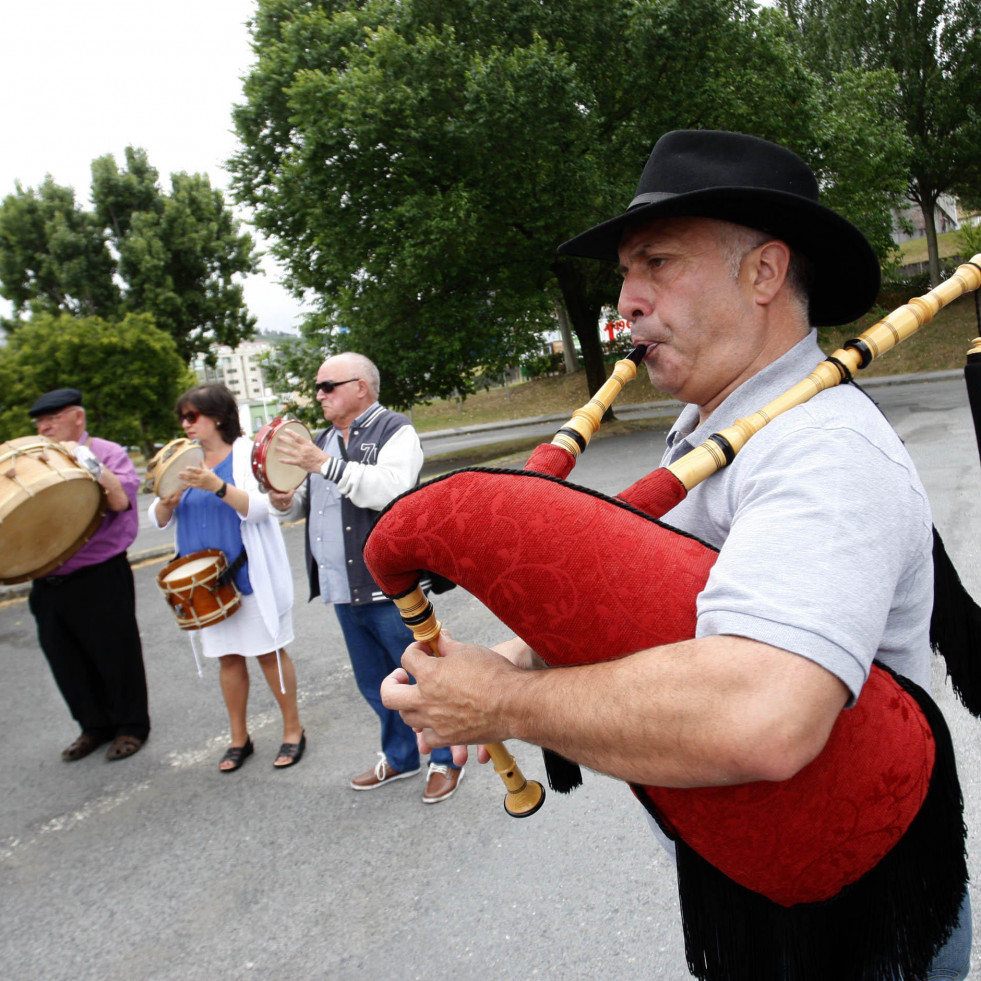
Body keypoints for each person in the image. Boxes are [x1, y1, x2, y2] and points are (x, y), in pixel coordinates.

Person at [379, 130, 972, 977]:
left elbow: (761, 717)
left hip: (850, 923)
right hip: (749, 887)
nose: (627, 302)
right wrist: (504, 658)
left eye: (656, 263)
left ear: (764, 273)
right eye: (626, 275)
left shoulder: (821, 450)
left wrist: (505, 703)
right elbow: (666, 605)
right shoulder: (707, 430)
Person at [268, 352, 464, 804]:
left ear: (361, 386)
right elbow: (303, 503)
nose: (319, 395)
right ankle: (400, 756)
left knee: (422, 679)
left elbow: (392, 489)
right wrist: (283, 500)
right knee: (375, 683)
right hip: (341, 588)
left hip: (390, 586)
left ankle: (445, 760)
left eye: (328, 386)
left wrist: (323, 464)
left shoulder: (395, 429)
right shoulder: (319, 440)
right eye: (317, 387)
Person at [149, 384, 305, 772]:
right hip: (203, 585)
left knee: (269, 654)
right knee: (228, 660)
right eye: (182, 417)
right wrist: (167, 501)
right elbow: (157, 518)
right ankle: (239, 738)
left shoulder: (246, 454)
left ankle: (293, 730)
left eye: (192, 416)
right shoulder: (182, 459)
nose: (186, 424)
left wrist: (216, 486)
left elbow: (261, 509)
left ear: (217, 417)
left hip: (246, 576)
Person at [27, 388, 150, 762]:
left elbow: (118, 500)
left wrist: (87, 462)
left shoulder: (106, 451)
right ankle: (93, 726)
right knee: (66, 660)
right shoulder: (33, 459)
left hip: (99, 575)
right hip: (48, 580)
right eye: (39, 421)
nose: (44, 426)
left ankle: (131, 726)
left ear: (77, 417)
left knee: (116, 653)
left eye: (53, 418)